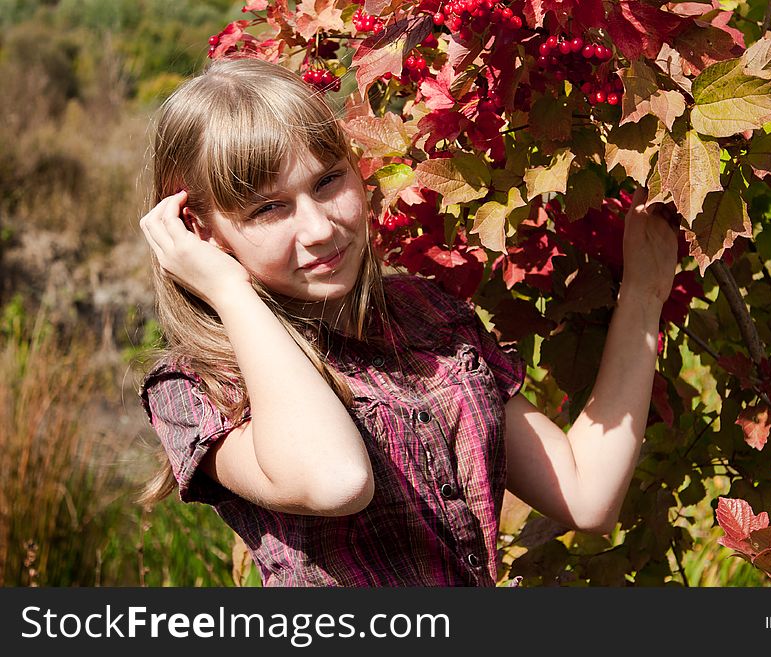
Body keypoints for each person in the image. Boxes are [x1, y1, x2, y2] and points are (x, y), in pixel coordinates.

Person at [138, 56, 679, 587]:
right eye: (268, 209)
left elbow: (586, 493)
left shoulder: (426, 315)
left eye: (327, 182)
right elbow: (337, 480)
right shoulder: (198, 387)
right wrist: (229, 291)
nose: (320, 228)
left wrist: (645, 291)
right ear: (197, 230)